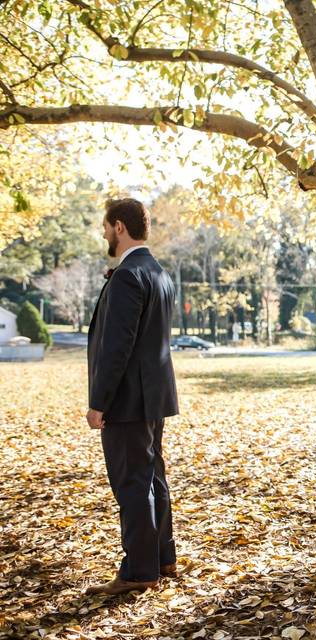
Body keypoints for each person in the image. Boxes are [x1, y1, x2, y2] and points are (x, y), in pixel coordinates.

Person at [85, 198, 180, 595]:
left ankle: (139, 573)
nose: (104, 233)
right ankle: (163, 557)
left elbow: (117, 346)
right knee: (152, 477)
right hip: (153, 398)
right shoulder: (158, 273)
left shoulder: (127, 276)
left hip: (126, 400)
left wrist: (98, 402)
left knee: (132, 484)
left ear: (119, 227)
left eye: (106, 226)